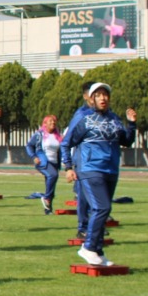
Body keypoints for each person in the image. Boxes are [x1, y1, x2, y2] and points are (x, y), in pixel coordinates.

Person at [63, 82, 136, 266]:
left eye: (105, 95)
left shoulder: (114, 119)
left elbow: (126, 141)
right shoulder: (84, 119)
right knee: (101, 208)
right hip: (89, 169)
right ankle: (87, 247)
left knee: (105, 209)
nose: (103, 98)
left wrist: (132, 124)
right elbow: (66, 143)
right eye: (98, 95)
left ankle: (98, 250)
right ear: (91, 98)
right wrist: (68, 167)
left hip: (111, 169)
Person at [61, 89, 98, 244]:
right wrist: (68, 165)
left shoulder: (104, 114)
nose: (98, 98)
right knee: (84, 196)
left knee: (98, 197)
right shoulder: (81, 115)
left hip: (100, 163)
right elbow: (67, 140)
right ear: (86, 96)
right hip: (83, 161)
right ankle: (83, 227)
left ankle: (94, 227)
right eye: (94, 94)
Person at [25, 115, 63, 214]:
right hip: (43, 162)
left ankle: (48, 209)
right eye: (50, 121)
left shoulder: (57, 134)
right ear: (45, 123)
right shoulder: (39, 134)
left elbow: (60, 149)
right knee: (53, 175)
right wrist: (34, 157)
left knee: (51, 185)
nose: (53, 123)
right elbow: (29, 145)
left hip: (54, 162)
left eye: (54, 121)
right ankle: (46, 198)